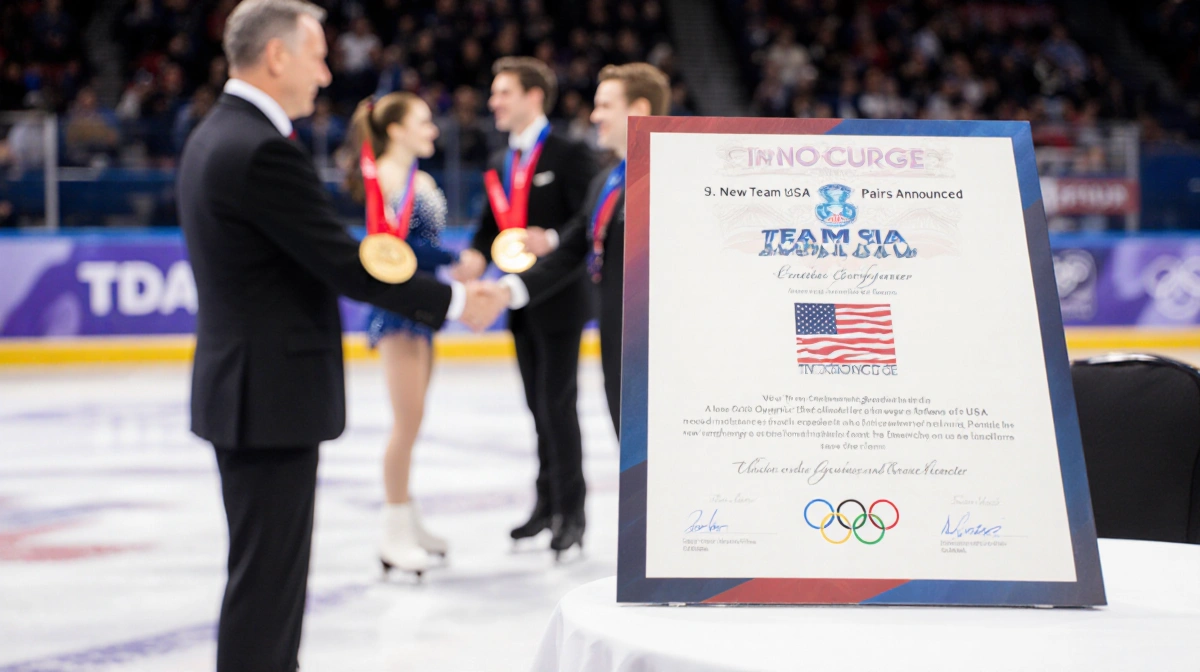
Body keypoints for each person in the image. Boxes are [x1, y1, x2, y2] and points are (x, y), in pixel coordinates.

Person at [176, 2, 507, 671]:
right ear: (277, 57)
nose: (326, 75)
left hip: (246, 391)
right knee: (267, 585)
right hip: (268, 396)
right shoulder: (260, 150)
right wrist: (453, 301)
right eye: (318, 57)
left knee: (265, 579)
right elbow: (345, 263)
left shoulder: (217, 134)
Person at [454, 57, 599, 557]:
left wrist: (553, 237)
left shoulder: (569, 153)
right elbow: (490, 226)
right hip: (518, 302)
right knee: (538, 406)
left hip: (561, 299)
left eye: (504, 93)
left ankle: (572, 513)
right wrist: (475, 257)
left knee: (558, 404)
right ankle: (546, 503)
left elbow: (586, 220)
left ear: (534, 96)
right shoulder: (501, 161)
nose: (493, 102)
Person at [503, 62, 671, 438]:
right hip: (617, 341)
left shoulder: (673, 178)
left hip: (664, 352)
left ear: (639, 109)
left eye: (605, 105)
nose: (594, 116)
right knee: (630, 451)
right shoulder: (606, 182)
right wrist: (508, 290)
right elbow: (571, 248)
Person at [343, 91, 457, 575]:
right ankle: (393, 532)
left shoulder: (416, 176)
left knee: (415, 419)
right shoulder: (386, 178)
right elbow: (396, 246)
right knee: (405, 423)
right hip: (397, 310)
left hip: (422, 306)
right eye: (423, 121)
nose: (433, 130)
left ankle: (407, 518)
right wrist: (455, 259)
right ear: (395, 130)